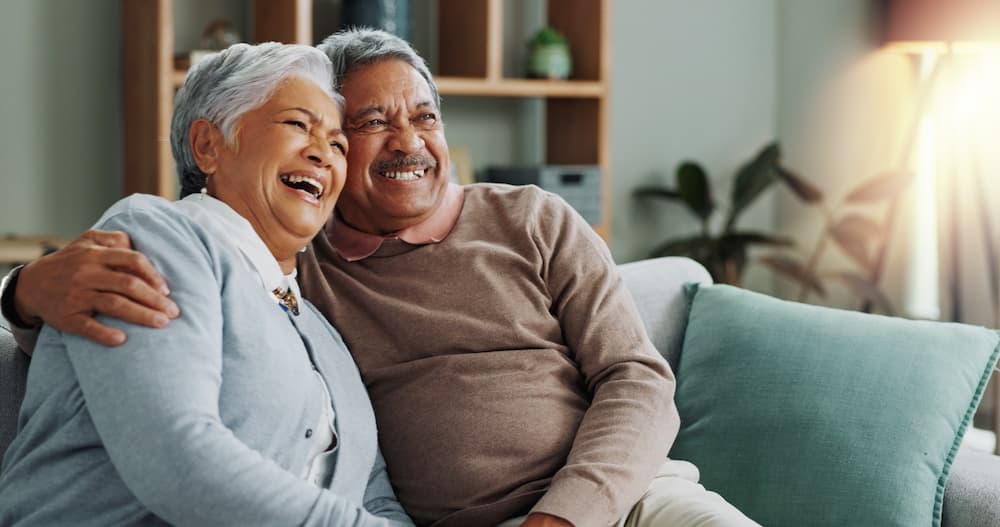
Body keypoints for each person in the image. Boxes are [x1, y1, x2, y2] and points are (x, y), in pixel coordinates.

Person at [1, 29, 757, 527]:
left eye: (425, 117)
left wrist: (563, 518)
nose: (407, 142)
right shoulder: (254, 261)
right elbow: (154, 404)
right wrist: (23, 290)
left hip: (625, 498)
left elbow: (638, 379)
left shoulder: (526, 220)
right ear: (209, 143)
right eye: (350, 128)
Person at [0, 41, 412, 527]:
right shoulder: (158, 237)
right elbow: (177, 461)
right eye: (299, 125)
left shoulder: (323, 333)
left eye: (339, 144)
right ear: (208, 146)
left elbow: (375, 497)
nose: (324, 152)